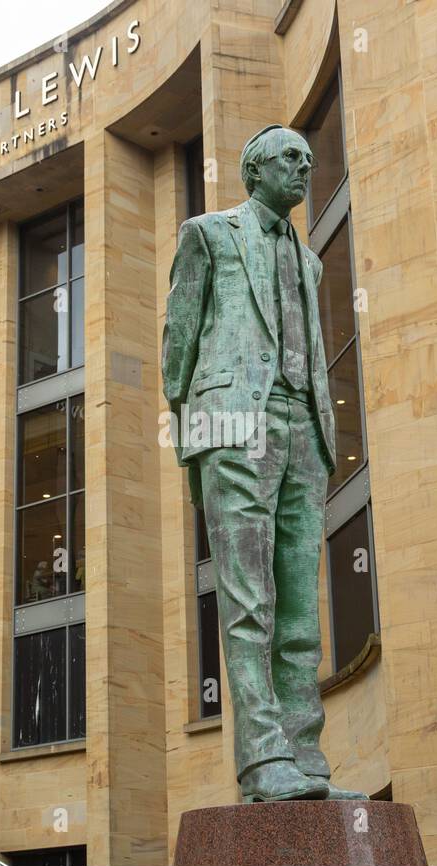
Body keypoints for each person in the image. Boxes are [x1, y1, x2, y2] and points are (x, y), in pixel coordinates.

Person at [160, 124, 365, 801]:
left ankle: (304, 754)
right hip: (233, 424)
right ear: (254, 170)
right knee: (250, 601)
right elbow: (178, 342)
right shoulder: (208, 234)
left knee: (300, 608)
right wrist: (199, 428)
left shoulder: (308, 260)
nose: (304, 170)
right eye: (290, 159)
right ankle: (261, 760)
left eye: (309, 161)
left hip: (303, 429)